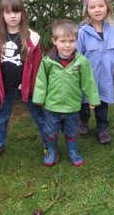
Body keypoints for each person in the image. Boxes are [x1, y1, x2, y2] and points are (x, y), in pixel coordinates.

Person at [0, 0, 46, 162]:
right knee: (1, 117)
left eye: (16, 12)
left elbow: (39, 66)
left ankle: (49, 143)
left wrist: (37, 88)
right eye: (8, 12)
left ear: (22, 14)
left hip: (26, 86)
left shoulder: (32, 38)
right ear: (2, 15)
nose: (12, 16)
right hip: (7, 87)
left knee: (39, 116)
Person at [33, 19, 100, 167]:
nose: (68, 45)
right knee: (50, 131)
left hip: (72, 107)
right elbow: (41, 81)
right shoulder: (48, 61)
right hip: (52, 107)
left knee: (72, 131)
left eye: (71, 41)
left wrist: (93, 99)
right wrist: (39, 98)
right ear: (54, 41)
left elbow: (89, 82)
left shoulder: (81, 62)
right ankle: (51, 151)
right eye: (63, 41)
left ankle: (73, 151)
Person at [76, 0, 114, 144]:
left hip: (105, 79)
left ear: (107, 7)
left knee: (102, 106)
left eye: (101, 6)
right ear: (87, 11)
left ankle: (102, 128)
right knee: (84, 104)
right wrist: (75, 70)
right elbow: (77, 54)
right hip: (87, 79)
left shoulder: (112, 32)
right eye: (92, 7)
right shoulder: (82, 33)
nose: (97, 10)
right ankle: (83, 121)